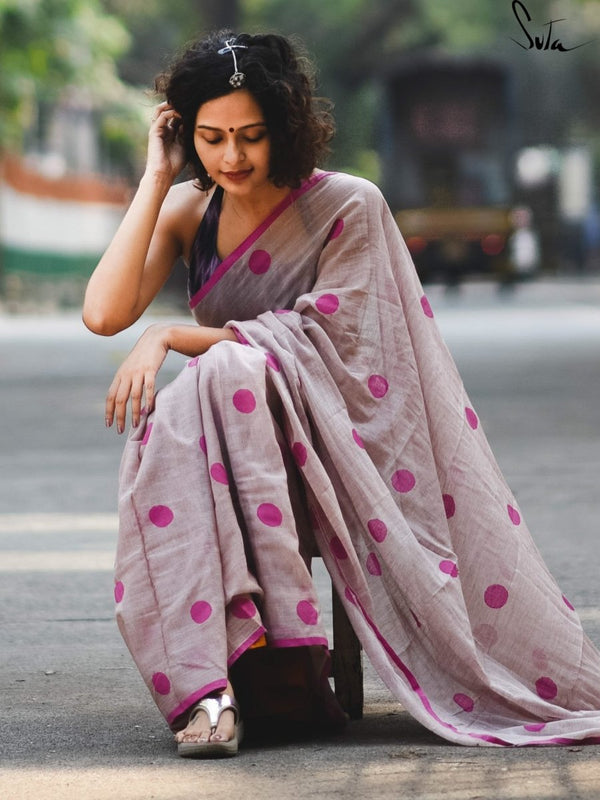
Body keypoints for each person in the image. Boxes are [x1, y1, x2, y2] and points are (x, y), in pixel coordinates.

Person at [83, 30, 600, 757]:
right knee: (214, 385)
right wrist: (153, 176)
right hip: (235, 457)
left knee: (224, 371)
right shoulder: (187, 210)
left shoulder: (347, 206)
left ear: (286, 128)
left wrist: (169, 337)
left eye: (251, 136)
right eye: (211, 137)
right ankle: (214, 689)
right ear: (184, 134)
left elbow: (332, 344)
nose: (231, 157)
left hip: (337, 453)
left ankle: (260, 674)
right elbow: (104, 314)